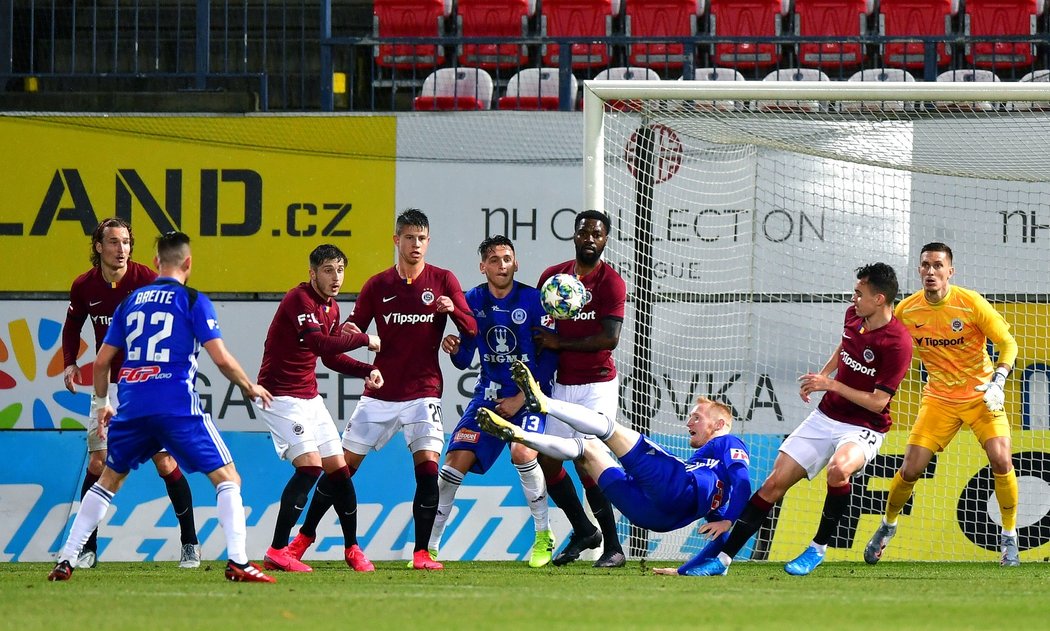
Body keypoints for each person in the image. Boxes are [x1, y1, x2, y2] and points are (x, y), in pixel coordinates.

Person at [48, 232, 276, 583]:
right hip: (175, 404)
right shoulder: (192, 300)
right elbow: (220, 358)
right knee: (228, 478)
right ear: (188, 263)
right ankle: (239, 561)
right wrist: (249, 386)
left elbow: (101, 362)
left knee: (107, 480)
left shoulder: (130, 301)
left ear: (155, 263)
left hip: (132, 402)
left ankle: (66, 558)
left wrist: (103, 405)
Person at [680, 263, 913, 576]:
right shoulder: (854, 316)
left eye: (859, 293)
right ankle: (722, 562)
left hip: (864, 427)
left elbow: (878, 402)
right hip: (825, 416)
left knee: (839, 470)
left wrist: (831, 384)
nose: (853, 298)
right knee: (773, 484)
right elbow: (846, 345)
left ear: (880, 299)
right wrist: (825, 374)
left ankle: (817, 549)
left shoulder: (898, 343)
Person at [291, 209, 478, 570]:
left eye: (422, 238)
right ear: (397, 241)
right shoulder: (378, 285)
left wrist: (453, 309)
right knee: (341, 470)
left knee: (427, 468)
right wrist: (345, 334)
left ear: (429, 241)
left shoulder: (443, 280)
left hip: (424, 391)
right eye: (409, 238)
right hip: (380, 392)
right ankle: (303, 539)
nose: (416, 245)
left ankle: (422, 553)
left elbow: (471, 327)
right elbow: (353, 328)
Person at [477, 361, 751, 573]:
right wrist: (684, 570)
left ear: (718, 425)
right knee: (587, 449)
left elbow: (743, 482)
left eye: (697, 417)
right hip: (653, 518)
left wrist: (730, 518)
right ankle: (519, 435)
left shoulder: (728, 441)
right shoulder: (711, 477)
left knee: (609, 429)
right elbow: (721, 540)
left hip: (674, 489)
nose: (689, 423)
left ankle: (545, 403)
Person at [864, 242, 1021, 567]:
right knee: (910, 469)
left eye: (938, 265)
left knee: (1001, 458)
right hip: (939, 399)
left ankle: (1009, 538)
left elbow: (1007, 343)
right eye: (925, 265)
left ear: (950, 271)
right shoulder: (907, 310)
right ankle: (887, 526)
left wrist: (999, 379)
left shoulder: (970, 303)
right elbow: (884, 342)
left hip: (981, 394)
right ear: (919, 270)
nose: (931, 271)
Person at [60, 217, 200, 570]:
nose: (121, 249)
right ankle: (88, 548)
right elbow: (72, 326)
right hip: (105, 384)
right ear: (98, 246)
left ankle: (190, 543)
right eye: (113, 242)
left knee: (165, 461)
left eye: (126, 242)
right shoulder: (84, 286)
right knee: (97, 462)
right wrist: (68, 363)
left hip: (147, 385)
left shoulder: (147, 281)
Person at [429, 236, 559, 567]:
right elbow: (465, 359)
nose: (502, 265)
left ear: (516, 263)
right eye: (494, 259)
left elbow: (549, 358)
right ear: (483, 266)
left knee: (522, 451)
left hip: (528, 397)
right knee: (453, 463)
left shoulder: (533, 300)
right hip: (487, 396)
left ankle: (544, 534)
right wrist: (456, 348)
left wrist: (521, 396)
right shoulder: (471, 300)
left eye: (507, 259)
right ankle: (428, 547)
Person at [254, 244, 383, 573]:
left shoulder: (332, 309)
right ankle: (277, 549)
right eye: (328, 270)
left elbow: (329, 358)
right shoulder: (298, 299)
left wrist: (366, 370)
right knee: (311, 466)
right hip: (278, 395)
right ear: (312, 273)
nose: (335, 276)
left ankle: (353, 548)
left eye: (340, 269)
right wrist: (365, 340)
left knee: (338, 470)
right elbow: (319, 344)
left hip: (308, 398)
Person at [531, 209, 628, 568]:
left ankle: (614, 547)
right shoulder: (551, 279)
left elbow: (610, 338)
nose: (590, 238)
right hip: (561, 385)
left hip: (596, 386)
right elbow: (541, 334)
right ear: (574, 236)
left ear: (605, 240)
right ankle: (584, 529)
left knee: (589, 462)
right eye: (584, 232)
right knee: (548, 459)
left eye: (597, 234)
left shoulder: (611, 283)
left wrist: (561, 343)